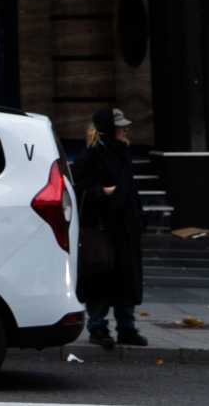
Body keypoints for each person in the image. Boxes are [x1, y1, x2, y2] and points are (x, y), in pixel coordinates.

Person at [74, 108, 146, 349]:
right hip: (102, 229)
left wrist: (138, 217)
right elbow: (78, 187)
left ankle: (127, 328)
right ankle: (98, 327)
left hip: (125, 229)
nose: (125, 129)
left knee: (126, 279)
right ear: (109, 129)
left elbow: (130, 188)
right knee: (101, 279)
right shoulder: (91, 155)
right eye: (120, 126)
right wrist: (101, 192)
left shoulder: (123, 152)